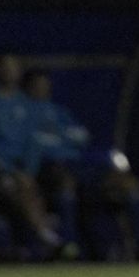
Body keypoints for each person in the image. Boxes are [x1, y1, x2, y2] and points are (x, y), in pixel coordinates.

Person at [0, 54, 63, 256]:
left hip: (25, 171)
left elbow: (33, 142)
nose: (10, 71)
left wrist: (28, 172)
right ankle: (43, 233)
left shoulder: (26, 104)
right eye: (5, 67)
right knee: (16, 188)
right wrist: (11, 172)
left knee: (54, 182)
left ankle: (47, 235)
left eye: (14, 66)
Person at [23, 70, 86, 256]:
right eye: (37, 85)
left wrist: (64, 138)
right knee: (64, 182)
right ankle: (68, 242)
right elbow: (33, 144)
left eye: (45, 85)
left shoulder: (59, 111)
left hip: (74, 164)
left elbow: (81, 136)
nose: (42, 89)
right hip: (46, 170)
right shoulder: (25, 110)